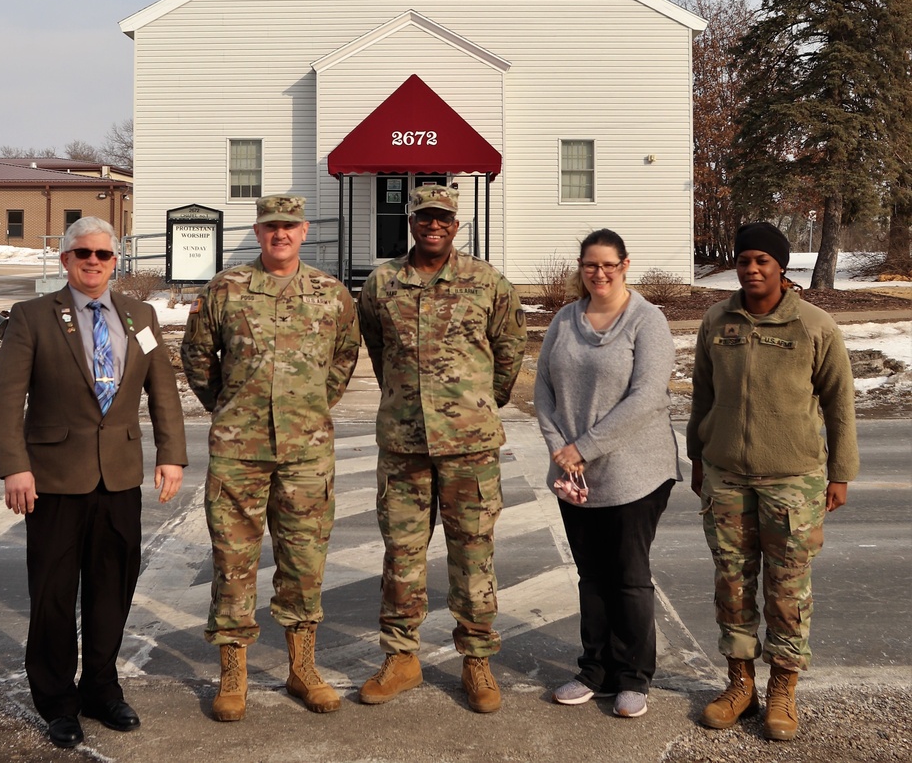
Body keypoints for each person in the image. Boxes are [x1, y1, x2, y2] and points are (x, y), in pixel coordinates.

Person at [0, 216, 186, 750]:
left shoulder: (140, 315)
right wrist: (15, 465)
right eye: (83, 254)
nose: (93, 261)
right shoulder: (33, 317)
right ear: (66, 260)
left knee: (111, 589)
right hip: (51, 478)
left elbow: (162, 391)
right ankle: (57, 701)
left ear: (115, 261)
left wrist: (172, 454)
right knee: (53, 593)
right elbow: (6, 397)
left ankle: (101, 687)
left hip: (118, 475)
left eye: (103, 253)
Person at [181, 194, 359, 721]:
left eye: (289, 226)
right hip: (240, 451)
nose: (280, 234)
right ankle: (232, 673)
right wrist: (228, 409)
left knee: (304, 564)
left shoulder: (330, 293)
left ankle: (302, 668)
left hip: (307, 451)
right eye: (270, 226)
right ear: (258, 232)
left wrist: (312, 406)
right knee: (233, 562)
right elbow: (196, 354)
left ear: (304, 231)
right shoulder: (226, 288)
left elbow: (345, 356)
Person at [356, 183, 526, 714]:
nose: (434, 225)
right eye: (424, 217)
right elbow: (377, 347)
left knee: (473, 554)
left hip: (470, 447)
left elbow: (510, 348)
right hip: (404, 446)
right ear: (411, 221)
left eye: (443, 219)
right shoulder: (382, 282)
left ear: (457, 225)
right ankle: (402, 658)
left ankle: (476, 660)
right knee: (401, 556)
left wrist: (479, 401)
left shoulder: (488, 282)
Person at [687, 222, 858, 741]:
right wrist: (697, 457)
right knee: (733, 584)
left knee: (788, 591)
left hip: (794, 480)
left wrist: (841, 473)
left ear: (782, 266)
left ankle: (783, 688)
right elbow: (701, 395)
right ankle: (740, 683)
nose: (752, 269)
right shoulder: (717, 320)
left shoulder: (814, 325)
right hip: (727, 476)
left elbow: (840, 404)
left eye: (763, 260)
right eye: (744, 260)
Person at [534, 228, 678, 720]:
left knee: (629, 576)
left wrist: (585, 448)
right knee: (591, 575)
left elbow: (646, 398)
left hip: (634, 470)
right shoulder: (564, 319)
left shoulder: (647, 320)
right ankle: (594, 670)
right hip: (572, 472)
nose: (599, 273)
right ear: (580, 267)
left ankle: (633, 676)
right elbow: (543, 388)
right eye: (590, 265)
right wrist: (561, 450)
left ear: (625, 265)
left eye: (608, 265)